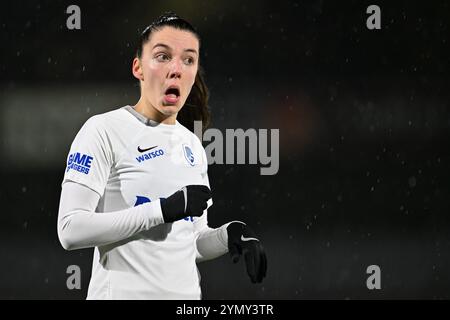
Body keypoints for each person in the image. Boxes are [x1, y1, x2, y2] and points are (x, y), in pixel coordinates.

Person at [57, 12, 267, 300]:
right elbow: (70, 230)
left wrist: (227, 236)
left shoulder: (192, 145)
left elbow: (189, 242)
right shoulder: (103, 130)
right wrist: (161, 210)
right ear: (138, 68)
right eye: (162, 56)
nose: (176, 69)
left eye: (188, 59)